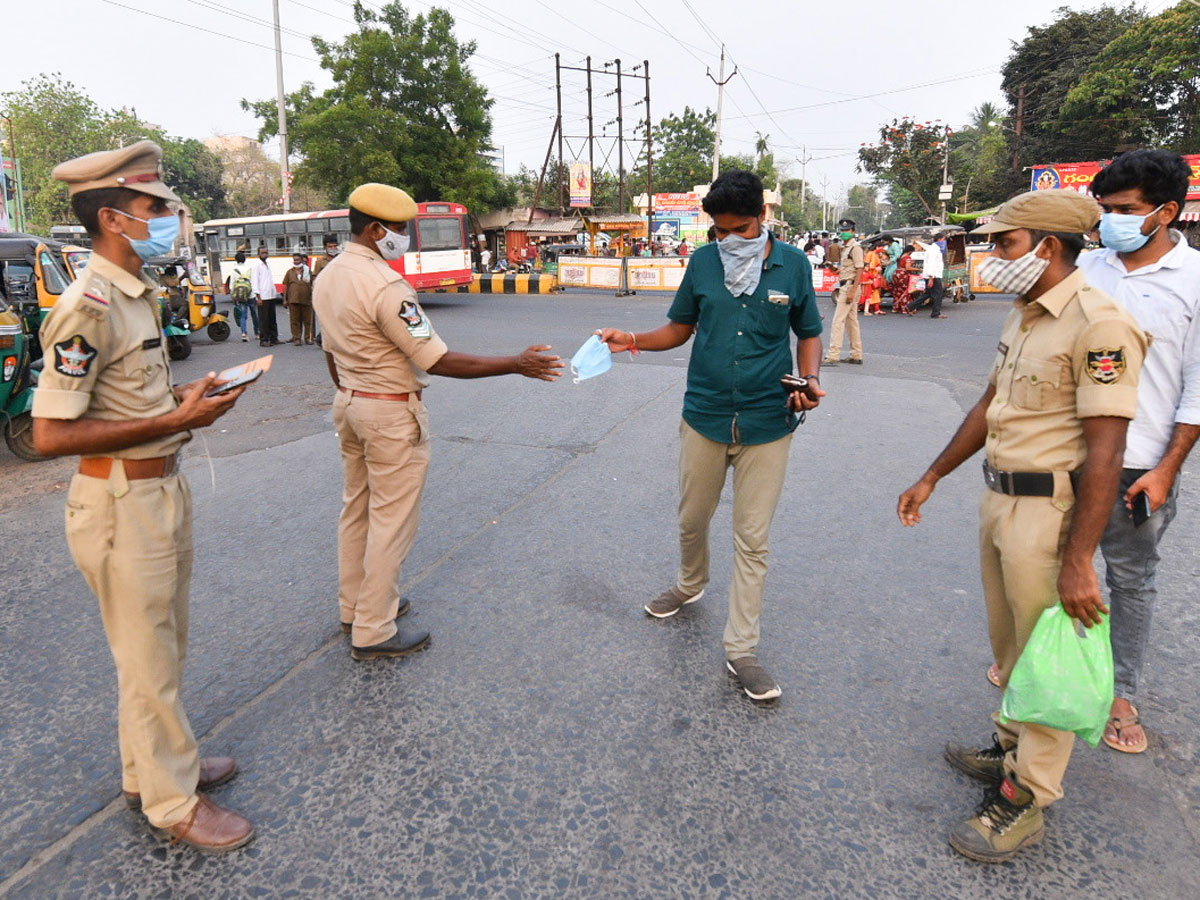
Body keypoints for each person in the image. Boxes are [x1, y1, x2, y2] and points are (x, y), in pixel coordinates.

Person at [897, 189, 1147, 862]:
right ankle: (1010, 752)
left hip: (1051, 514)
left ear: (1049, 247)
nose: (991, 256)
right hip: (1001, 501)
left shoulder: (1100, 325)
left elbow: (1107, 451)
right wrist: (933, 474)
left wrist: (1079, 560)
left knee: (1046, 660)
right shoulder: (1027, 315)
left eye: (1004, 243)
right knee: (1010, 648)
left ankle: (1027, 798)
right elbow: (990, 404)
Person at [33, 140, 255, 852]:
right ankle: (173, 803)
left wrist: (185, 398)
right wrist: (174, 419)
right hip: (119, 504)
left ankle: (150, 770)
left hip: (157, 491)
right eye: (152, 206)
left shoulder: (137, 294)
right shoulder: (88, 305)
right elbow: (48, 433)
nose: (167, 216)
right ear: (111, 218)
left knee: (157, 651)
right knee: (149, 659)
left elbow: (132, 398)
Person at [597, 170, 826, 701]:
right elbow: (679, 328)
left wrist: (811, 379)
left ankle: (741, 649)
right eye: (721, 232)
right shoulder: (703, 263)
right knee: (692, 518)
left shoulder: (793, 264)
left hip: (769, 422)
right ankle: (690, 583)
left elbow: (809, 331)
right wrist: (629, 338)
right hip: (704, 414)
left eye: (742, 229)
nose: (732, 242)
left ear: (763, 217)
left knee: (753, 538)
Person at [312, 183, 565, 661]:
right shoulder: (387, 287)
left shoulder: (329, 275)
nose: (404, 236)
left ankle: (357, 607)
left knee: (357, 512)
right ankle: (373, 628)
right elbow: (437, 359)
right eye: (400, 229)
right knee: (391, 521)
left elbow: (328, 350)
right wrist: (515, 363)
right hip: (388, 411)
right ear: (375, 230)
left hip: (349, 403)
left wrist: (350, 391)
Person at [1077, 149, 1200, 753]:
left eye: (1125, 210)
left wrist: (1166, 468)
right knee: (1053, 569)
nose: (1110, 222)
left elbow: (1198, 388)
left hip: (1140, 462)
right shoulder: (1088, 268)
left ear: (1168, 211)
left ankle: (1120, 694)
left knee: (1129, 578)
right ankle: (1057, 673)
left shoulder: (1196, 281)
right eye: (1105, 210)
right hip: (1069, 454)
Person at [823, 219, 865, 365]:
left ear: (853, 232)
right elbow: (849, 270)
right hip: (846, 284)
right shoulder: (845, 248)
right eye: (842, 231)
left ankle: (833, 355)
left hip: (849, 287)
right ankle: (856, 354)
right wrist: (835, 270)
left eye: (847, 231)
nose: (844, 233)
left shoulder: (856, 248)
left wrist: (853, 291)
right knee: (851, 322)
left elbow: (860, 269)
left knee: (837, 321)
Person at [225, 250, 258, 342]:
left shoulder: (234, 271)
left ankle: (244, 333)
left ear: (236, 260)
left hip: (240, 296)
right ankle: (257, 333)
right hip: (251, 295)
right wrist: (255, 294)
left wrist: (233, 297)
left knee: (243, 315)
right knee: (254, 314)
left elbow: (231, 286)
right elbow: (253, 282)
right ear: (245, 259)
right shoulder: (250, 269)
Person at [282, 253, 315, 345]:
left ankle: (308, 338)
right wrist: (285, 299)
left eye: (298, 260)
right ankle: (297, 338)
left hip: (306, 300)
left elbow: (313, 285)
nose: (296, 262)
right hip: (293, 300)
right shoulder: (289, 272)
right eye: (294, 260)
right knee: (295, 320)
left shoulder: (307, 271)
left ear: (301, 260)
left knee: (308, 320)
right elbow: (286, 286)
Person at [252, 245, 282, 346]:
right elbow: (255, 282)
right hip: (263, 297)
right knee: (264, 320)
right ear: (258, 254)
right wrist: (258, 297)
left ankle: (274, 338)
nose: (265, 254)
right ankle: (264, 340)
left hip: (271, 295)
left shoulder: (267, 265)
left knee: (272, 319)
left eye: (266, 252)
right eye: (263, 253)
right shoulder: (257, 266)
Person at [913, 237, 947, 318]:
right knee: (938, 294)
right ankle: (936, 313)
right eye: (943, 240)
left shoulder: (934, 249)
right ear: (939, 240)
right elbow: (931, 264)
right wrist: (931, 278)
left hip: (933, 275)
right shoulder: (933, 250)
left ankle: (911, 306)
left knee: (928, 294)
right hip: (933, 275)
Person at [890, 245, 917, 315]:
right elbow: (908, 268)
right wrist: (918, 269)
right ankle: (905, 308)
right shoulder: (908, 257)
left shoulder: (901, 256)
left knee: (898, 291)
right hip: (903, 275)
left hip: (897, 274)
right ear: (910, 251)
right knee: (905, 291)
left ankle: (896, 307)